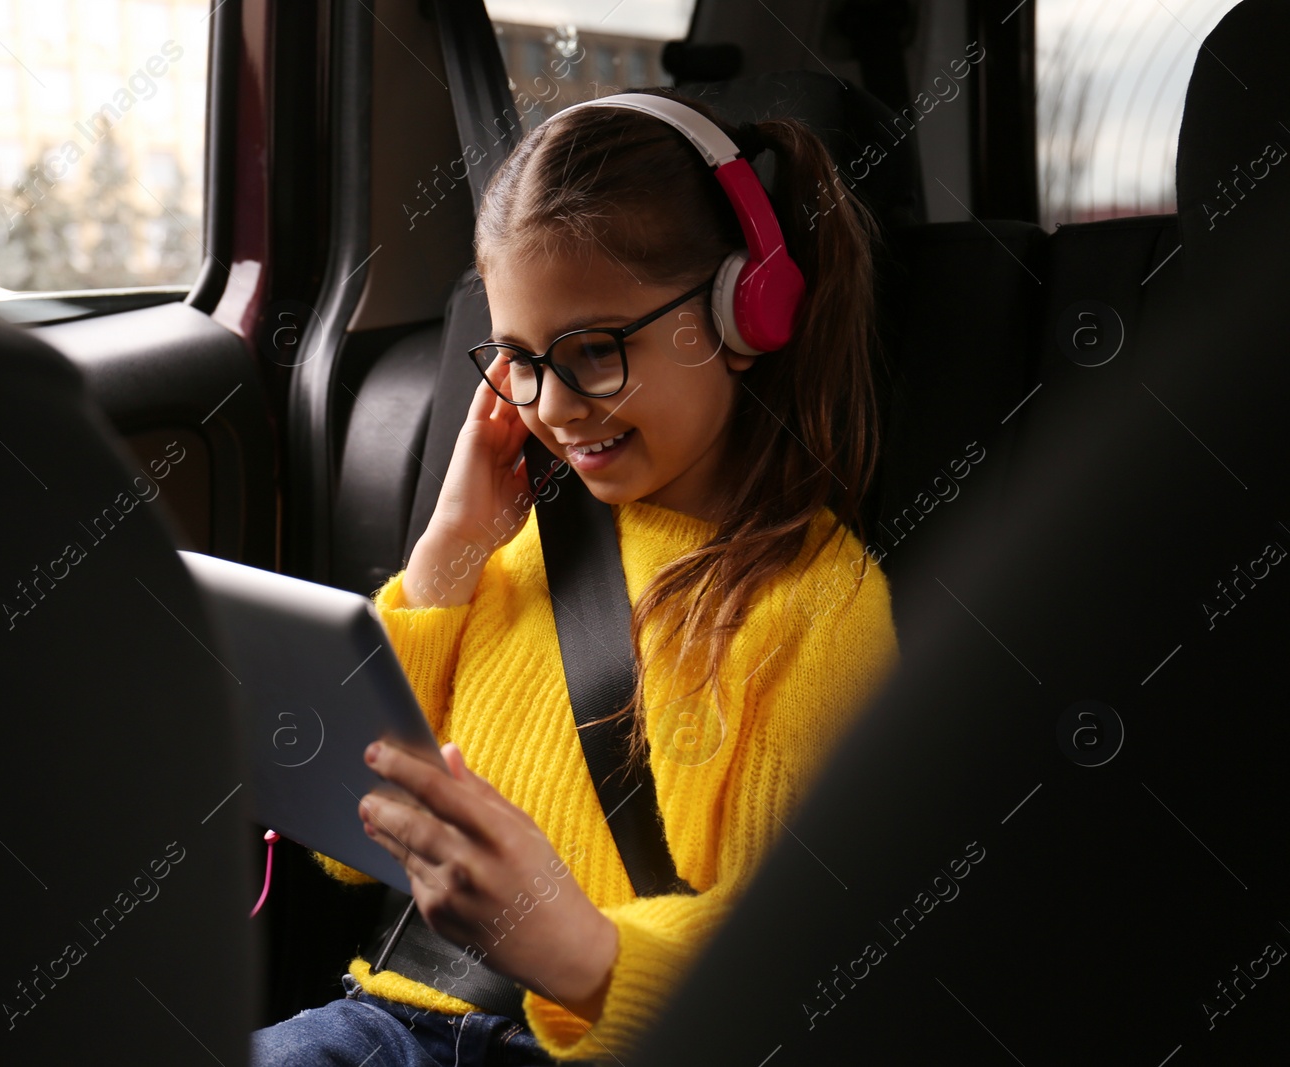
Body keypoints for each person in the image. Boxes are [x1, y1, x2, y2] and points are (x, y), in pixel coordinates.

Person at [252, 87, 901, 1066]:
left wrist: (584, 954)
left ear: (745, 305)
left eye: (594, 351)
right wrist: (449, 552)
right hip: (389, 1021)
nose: (552, 403)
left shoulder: (816, 608)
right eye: (517, 359)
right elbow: (348, 846)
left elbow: (806, 955)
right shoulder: (511, 554)